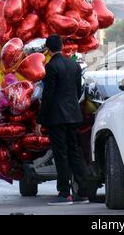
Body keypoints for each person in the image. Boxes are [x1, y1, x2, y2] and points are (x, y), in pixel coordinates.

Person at [36, 35, 89, 206]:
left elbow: (48, 95)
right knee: (74, 151)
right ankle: (83, 191)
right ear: (61, 46)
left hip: (57, 117)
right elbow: (79, 90)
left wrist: (40, 119)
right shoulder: (74, 65)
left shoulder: (51, 66)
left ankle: (64, 193)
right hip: (73, 115)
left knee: (61, 154)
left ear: (47, 49)